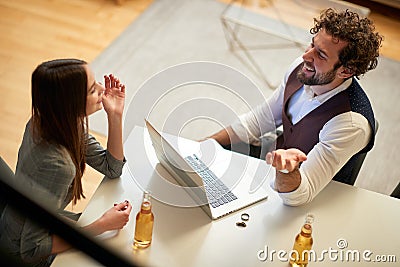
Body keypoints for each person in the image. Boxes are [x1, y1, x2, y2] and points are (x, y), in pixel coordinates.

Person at [208, 8, 383, 206]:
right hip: (280, 164)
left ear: (346, 70)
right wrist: (199, 146)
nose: (306, 56)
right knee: (210, 167)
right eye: (312, 45)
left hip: (315, 196)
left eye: (321, 55)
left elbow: (301, 195)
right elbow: (258, 121)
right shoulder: (304, 69)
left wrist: (285, 170)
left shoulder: (350, 123)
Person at [0, 59, 132, 266]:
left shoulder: (51, 121)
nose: (102, 89)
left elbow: (112, 168)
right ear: (69, 102)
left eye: (96, 82)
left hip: (29, 223)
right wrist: (102, 225)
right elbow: (31, 249)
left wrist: (115, 115)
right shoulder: (57, 165)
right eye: (91, 90)